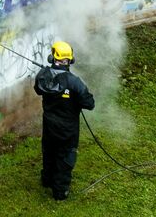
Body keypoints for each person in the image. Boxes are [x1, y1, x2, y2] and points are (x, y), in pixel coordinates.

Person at [33, 40, 95, 200]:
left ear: (52, 58)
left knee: (49, 152)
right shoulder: (75, 82)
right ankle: (60, 192)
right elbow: (90, 104)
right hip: (68, 130)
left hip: (49, 126)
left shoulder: (42, 76)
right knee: (65, 157)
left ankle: (47, 180)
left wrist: (47, 73)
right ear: (70, 60)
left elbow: (38, 90)